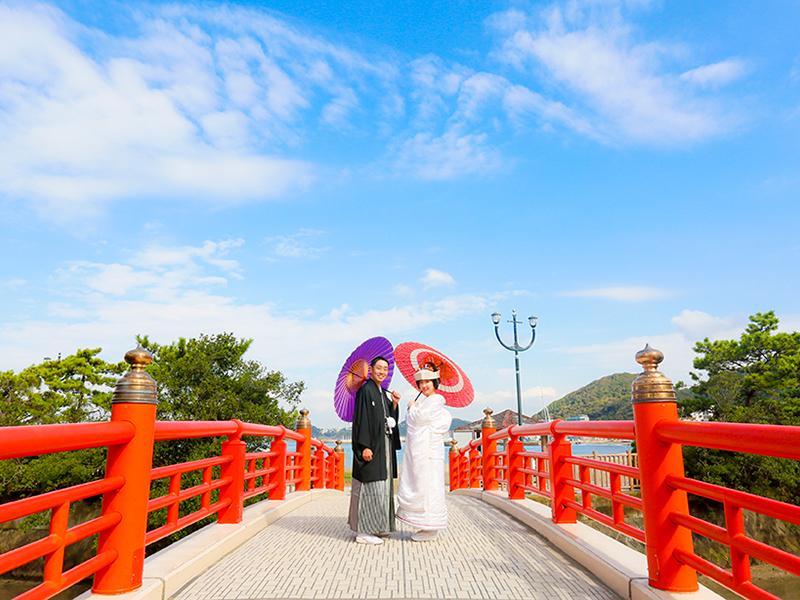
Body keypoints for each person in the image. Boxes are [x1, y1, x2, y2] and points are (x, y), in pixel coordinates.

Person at [348, 355, 402, 545]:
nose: (382, 372)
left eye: (385, 369)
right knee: (369, 487)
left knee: (382, 487)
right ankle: (363, 532)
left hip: (384, 448)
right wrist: (364, 446)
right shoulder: (365, 390)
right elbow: (361, 419)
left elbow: (389, 419)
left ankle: (377, 525)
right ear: (370, 370)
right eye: (378, 368)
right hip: (372, 447)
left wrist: (394, 404)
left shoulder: (381, 392)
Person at [395, 367, 452, 542]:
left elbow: (418, 419)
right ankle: (426, 527)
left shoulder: (435, 400)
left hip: (429, 453)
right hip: (428, 451)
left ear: (434, 383)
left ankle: (430, 528)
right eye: (421, 382)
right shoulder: (429, 402)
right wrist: (417, 408)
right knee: (427, 487)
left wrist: (412, 408)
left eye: (427, 381)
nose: (424, 385)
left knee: (430, 489)